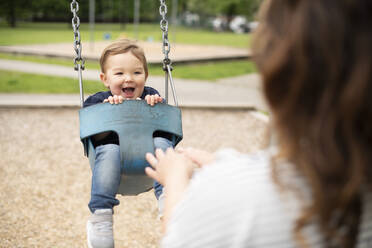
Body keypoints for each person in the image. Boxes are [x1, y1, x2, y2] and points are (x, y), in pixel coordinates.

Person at [145, 0, 372, 247]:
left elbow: (179, 238)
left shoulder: (246, 203)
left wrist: (176, 177)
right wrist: (223, 165)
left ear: (278, 72)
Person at [83, 39, 173, 248]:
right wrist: (107, 112)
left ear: (146, 76)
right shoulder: (97, 101)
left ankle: (169, 201)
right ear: (105, 79)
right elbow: (92, 137)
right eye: (119, 73)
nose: (128, 79)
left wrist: (155, 109)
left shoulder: (151, 97)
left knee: (161, 142)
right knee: (110, 149)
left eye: (136, 73)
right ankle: (101, 217)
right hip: (113, 162)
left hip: (148, 162)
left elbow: (166, 133)